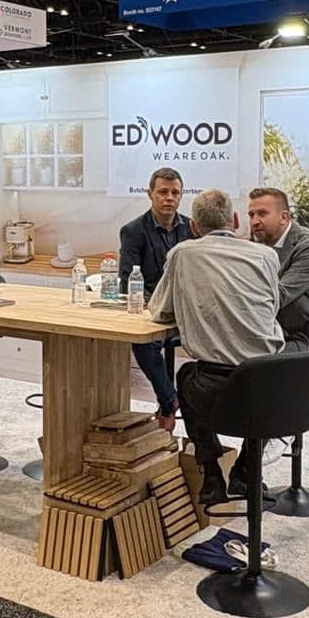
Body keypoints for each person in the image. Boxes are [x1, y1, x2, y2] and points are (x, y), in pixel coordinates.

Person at [148, 189, 283, 505]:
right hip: (272, 385)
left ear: (193, 227)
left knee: (186, 375)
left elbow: (159, 312)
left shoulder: (183, 253)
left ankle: (210, 473)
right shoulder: (267, 256)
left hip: (214, 390)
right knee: (258, 393)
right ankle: (246, 470)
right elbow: (271, 309)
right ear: (236, 221)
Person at [246, 187, 309, 374]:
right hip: (278, 333)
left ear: (284, 217)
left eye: (262, 214)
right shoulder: (258, 246)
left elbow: (279, 295)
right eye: (251, 215)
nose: (254, 221)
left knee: (247, 364)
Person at [118, 167, 191, 430]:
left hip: (187, 310)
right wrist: (156, 307)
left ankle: (203, 414)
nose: (169, 198)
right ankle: (168, 398)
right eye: (163, 192)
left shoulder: (192, 229)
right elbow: (128, 280)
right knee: (143, 342)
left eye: (175, 193)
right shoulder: (133, 231)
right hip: (152, 309)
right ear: (150, 194)